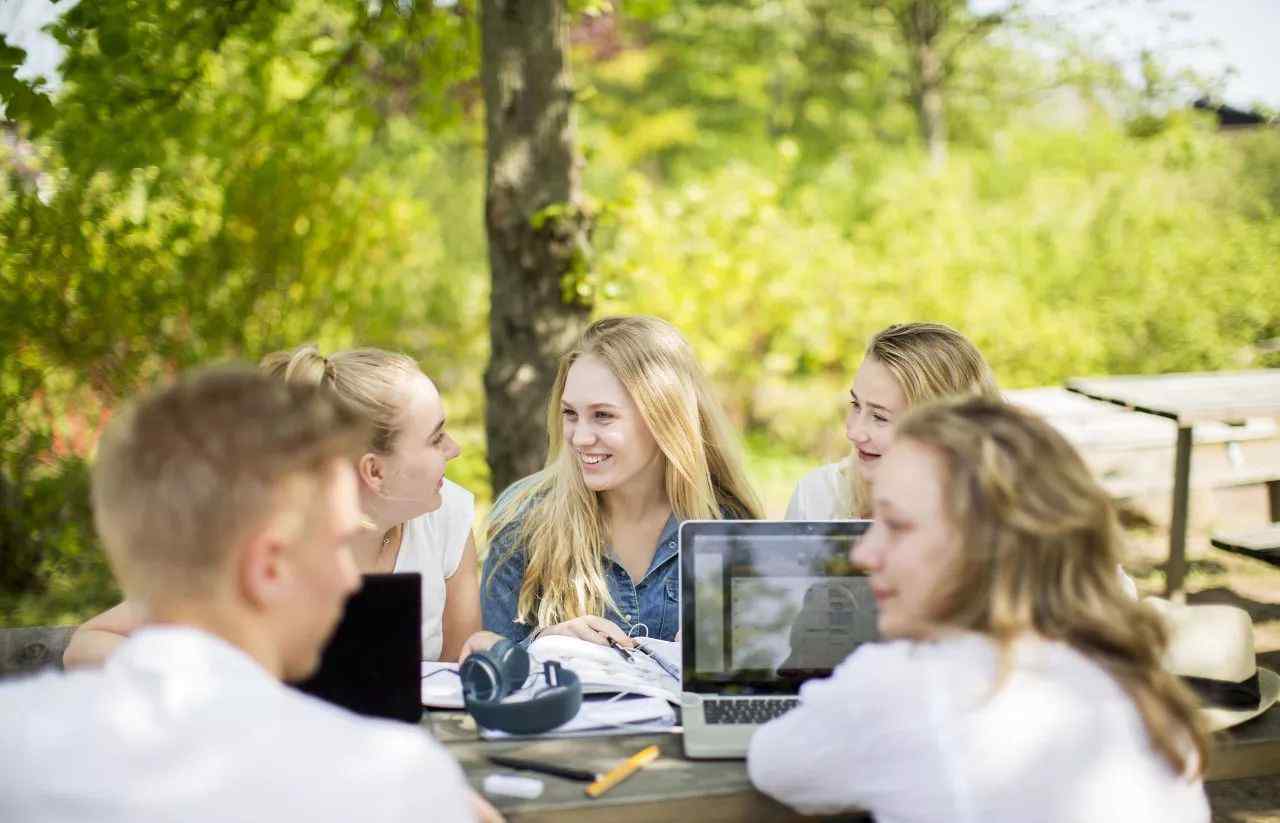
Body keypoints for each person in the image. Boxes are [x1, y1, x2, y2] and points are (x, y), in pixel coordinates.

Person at [0, 368, 490, 822]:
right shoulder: (393, 782)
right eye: (335, 545)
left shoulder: (15, 741)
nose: (350, 581)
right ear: (267, 566)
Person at [748, 398, 1210, 822]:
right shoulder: (1132, 679)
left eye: (897, 525)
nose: (864, 553)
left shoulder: (908, 685)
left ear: (983, 550)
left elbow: (776, 764)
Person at [64, 345, 482, 666]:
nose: (454, 449)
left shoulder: (446, 516)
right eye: (435, 438)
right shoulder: (263, 537)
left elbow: (458, 679)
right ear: (374, 471)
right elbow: (86, 645)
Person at [472, 316, 762, 653]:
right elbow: (491, 667)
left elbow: (758, 668)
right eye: (570, 414)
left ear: (664, 418)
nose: (580, 438)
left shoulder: (727, 526)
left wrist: (717, 658)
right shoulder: (524, 518)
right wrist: (545, 643)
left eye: (603, 415)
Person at [786, 321, 999, 521]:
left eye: (880, 417)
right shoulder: (818, 499)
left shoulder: (996, 518)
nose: (853, 433)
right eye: (856, 404)